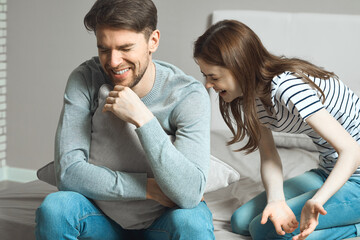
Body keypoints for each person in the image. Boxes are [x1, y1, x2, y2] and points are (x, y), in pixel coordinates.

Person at [35, 0, 215, 239]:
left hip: (163, 222)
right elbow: (68, 173)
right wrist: (145, 187)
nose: (113, 62)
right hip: (99, 219)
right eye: (103, 49)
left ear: (153, 41)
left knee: (192, 221)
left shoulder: (187, 94)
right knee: (56, 208)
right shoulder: (84, 79)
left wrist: (143, 119)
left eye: (125, 48)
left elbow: (190, 193)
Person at [193, 19, 360, 240]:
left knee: (266, 231)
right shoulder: (249, 99)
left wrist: (318, 200)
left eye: (213, 77)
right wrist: (276, 201)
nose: (207, 84)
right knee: (241, 221)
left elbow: (351, 150)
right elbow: (269, 157)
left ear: (239, 67)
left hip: (355, 175)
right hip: (330, 171)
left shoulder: (287, 87)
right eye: (205, 75)